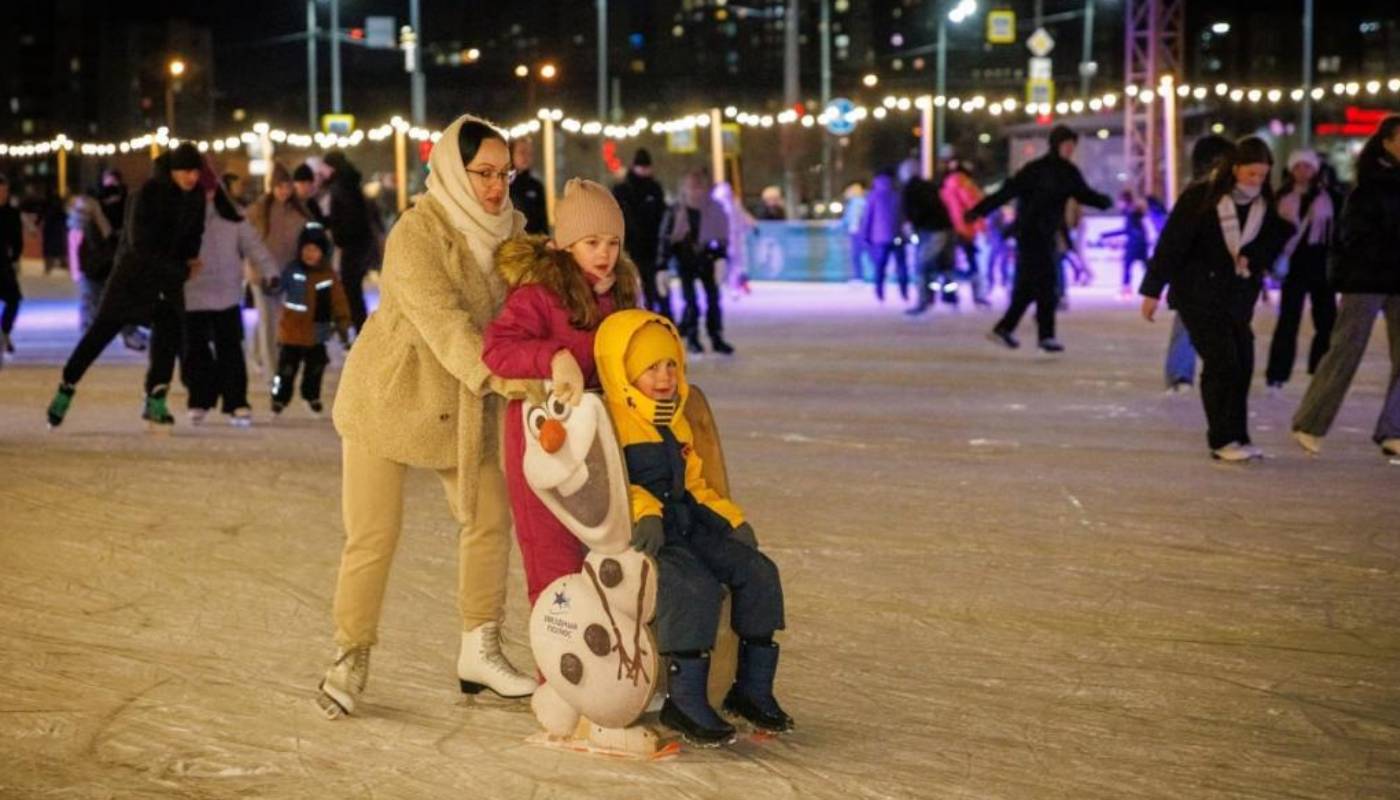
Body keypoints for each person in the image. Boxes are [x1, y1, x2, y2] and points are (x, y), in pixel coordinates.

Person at [319, 115, 539, 719]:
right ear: (450, 169)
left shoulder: (516, 233)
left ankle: (479, 647)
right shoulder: (416, 233)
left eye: (504, 173)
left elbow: (537, 305)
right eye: (483, 173)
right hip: (389, 398)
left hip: (467, 407)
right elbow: (443, 321)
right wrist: (500, 374)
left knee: (490, 520)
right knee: (373, 534)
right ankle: (350, 652)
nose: (496, 187)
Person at [595, 309, 791, 745]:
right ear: (625, 370)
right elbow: (609, 484)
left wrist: (730, 521)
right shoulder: (611, 420)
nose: (665, 377)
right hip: (650, 532)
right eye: (651, 368)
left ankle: (752, 689)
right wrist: (643, 509)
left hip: (688, 523)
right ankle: (683, 700)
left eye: (672, 365)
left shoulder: (674, 413)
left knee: (758, 572)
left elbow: (695, 483)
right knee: (692, 585)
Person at [482, 178, 639, 607]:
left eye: (612, 242)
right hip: (545, 442)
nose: (604, 254)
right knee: (556, 567)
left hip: (604, 443)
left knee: (611, 561)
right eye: (591, 242)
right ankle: (555, 671)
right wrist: (553, 357)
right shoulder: (540, 293)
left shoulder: (620, 293)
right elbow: (497, 349)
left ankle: (611, 671)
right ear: (566, 244)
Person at [1140, 137, 1295, 461]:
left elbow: (1272, 242)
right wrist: (1152, 290)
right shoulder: (1202, 197)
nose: (1256, 182)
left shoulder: (1263, 206)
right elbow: (1171, 244)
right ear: (1235, 168)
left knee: (1243, 363)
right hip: (1197, 294)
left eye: (1262, 176)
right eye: (1251, 174)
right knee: (1222, 361)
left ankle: (1238, 436)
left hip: (1236, 299)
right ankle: (1221, 440)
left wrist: (1253, 258)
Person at [46, 144, 207, 430]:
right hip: (131, 278)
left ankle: (155, 399)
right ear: (173, 171)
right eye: (186, 172)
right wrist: (181, 268)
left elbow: (195, 233)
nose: (192, 177)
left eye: (196, 172)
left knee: (168, 335)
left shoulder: (195, 197)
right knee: (100, 332)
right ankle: (67, 385)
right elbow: (138, 247)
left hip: (167, 279)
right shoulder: (147, 194)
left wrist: (190, 258)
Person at [1291, 116, 1400, 458]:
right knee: (1345, 350)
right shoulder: (1368, 185)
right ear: (1387, 142)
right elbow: (1353, 236)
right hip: (1366, 279)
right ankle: (1310, 423)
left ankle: (1393, 429)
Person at [968, 125, 1112, 352]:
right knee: (1046, 285)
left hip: (1044, 234)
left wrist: (1103, 202)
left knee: (1030, 287)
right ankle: (1043, 335)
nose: (1069, 149)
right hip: (1030, 233)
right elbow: (1008, 191)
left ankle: (1007, 329)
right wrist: (979, 210)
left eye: (1072, 146)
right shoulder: (1037, 170)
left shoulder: (1067, 171)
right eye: (1066, 145)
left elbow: (1083, 193)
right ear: (1056, 145)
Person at [183, 168, 280, 426]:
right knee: (196, 352)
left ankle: (236, 401)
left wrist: (270, 271)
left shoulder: (234, 217)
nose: (208, 196)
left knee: (230, 349)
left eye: (211, 191)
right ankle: (199, 399)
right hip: (192, 294)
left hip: (226, 294)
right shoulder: (182, 217)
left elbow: (254, 247)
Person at [1161, 135, 1237, 393]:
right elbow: (1172, 242)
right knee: (1187, 323)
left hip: (1223, 276)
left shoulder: (1235, 196)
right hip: (1193, 277)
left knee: (1226, 325)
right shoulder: (1194, 197)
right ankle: (1180, 374)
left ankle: (1223, 372)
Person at [1264, 149, 1337, 392]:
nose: (1303, 171)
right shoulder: (1281, 197)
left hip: (1321, 262)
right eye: (1298, 166)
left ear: (1315, 170)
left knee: (1326, 320)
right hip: (1294, 264)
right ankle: (1277, 374)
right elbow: (1272, 231)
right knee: (1288, 320)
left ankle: (1320, 369)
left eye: (1307, 166)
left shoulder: (1330, 196)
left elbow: (1338, 233)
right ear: (1291, 170)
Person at [272, 223, 350, 417]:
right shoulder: (292, 270)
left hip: (317, 333)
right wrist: (271, 284)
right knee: (285, 370)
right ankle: (279, 397)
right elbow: (277, 287)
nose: (310, 254)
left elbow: (339, 302)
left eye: (315, 250)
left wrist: (342, 326)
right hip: (291, 332)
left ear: (323, 252)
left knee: (315, 369)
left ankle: (311, 396)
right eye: (306, 249)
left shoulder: (328, 275)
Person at [247, 163, 315, 376]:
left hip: (287, 274)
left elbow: (308, 238)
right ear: (272, 187)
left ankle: (259, 354)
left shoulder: (298, 212)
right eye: (279, 187)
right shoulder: (259, 210)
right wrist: (252, 268)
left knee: (279, 320)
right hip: (262, 275)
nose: (284, 191)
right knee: (268, 322)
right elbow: (248, 241)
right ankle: (272, 371)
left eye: (287, 186)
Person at [659, 169, 734, 355]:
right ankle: (692, 337)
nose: (695, 192)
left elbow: (723, 235)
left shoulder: (715, 209)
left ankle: (716, 336)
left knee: (713, 300)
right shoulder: (676, 211)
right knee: (690, 301)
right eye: (691, 188)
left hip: (707, 260)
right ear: (685, 189)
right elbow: (666, 238)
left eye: (699, 188)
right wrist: (662, 265)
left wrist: (721, 257)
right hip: (685, 261)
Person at [320, 151, 374, 335]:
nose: (322, 171)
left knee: (351, 292)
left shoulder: (339, 187)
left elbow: (347, 218)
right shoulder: (349, 184)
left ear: (332, 167)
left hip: (351, 247)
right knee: (353, 291)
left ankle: (361, 333)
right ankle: (360, 331)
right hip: (359, 245)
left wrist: (338, 235)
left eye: (325, 167)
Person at [612, 148, 669, 316]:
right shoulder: (623, 190)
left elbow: (661, 216)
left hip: (651, 247)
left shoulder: (654, 189)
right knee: (630, 286)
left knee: (654, 287)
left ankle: (660, 316)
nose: (644, 171)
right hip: (631, 247)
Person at [903, 161, 953, 315]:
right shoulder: (929, 187)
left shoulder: (910, 189)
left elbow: (913, 212)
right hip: (944, 227)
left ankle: (924, 300)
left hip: (930, 230)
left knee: (922, 265)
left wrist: (913, 227)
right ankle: (948, 295)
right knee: (942, 264)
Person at [939, 161, 990, 307]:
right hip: (966, 230)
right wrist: (981, 227)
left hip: (949, 230)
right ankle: (978, 294)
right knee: (972, 262)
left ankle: (949, 294)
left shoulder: (945, 187)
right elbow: (975, 206)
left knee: (950, 263)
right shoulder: (965, 184)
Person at [859, 169, 907, 304]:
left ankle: (879, 291)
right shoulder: (897, 195)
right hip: (898, 236)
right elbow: (904, 217)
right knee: (901, 266)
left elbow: (868, 217)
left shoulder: (873, 196)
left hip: (879, 237)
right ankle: (904, 292)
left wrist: (866, 236)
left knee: (880, 266)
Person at [1097, 191, 1152, 299]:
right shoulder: (1134, 211)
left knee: (1127, 265)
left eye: (1119, 201)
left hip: (1134, 243)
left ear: (1124, 201)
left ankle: (1127, 290)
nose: (1118, 204)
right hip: (1141, 242)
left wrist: (1106, 235)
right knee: (1144, 266)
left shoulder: (1130, 212)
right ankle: (1151, 289)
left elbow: (1127, 230)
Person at [0, 176, 23, 360]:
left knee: (14, 299)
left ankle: (4, 332)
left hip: (3, 263)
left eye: (5, 191)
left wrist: (14, 256)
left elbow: (17, 239)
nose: (3, 195)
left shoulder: (12, 213)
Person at [508, 137, 548, 235]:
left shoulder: (536, 186)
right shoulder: (505, 183)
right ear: (511, 154)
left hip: (532, 240)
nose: (526, 157)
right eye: (522, 152)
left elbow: (542, 219)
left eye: (529, 154)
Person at [840, 181, 868, 283]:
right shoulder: (857, 202)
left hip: (857, 232)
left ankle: (858, 277)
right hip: (857, 231)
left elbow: (853, 218)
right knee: (857, 255)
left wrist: (853, 227)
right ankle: (858, 276)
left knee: (856, 254)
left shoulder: (857, 202)